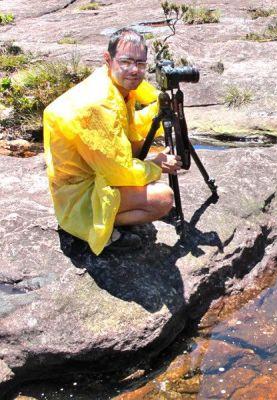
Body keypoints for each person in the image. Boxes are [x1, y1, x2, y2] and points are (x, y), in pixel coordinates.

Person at [43, 28, 181, 255]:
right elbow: (119, 171)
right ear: (108, 60)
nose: (134, 70)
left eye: (141, 63)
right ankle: (96, 229)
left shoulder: (115, 79)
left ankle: (119, 207)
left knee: (135, 141)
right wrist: (155, 165)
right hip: (78, 195)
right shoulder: (99, 105)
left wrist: (163, 102)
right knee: (163, 200)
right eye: (126, 62)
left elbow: (147, 100)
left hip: (94, 170)